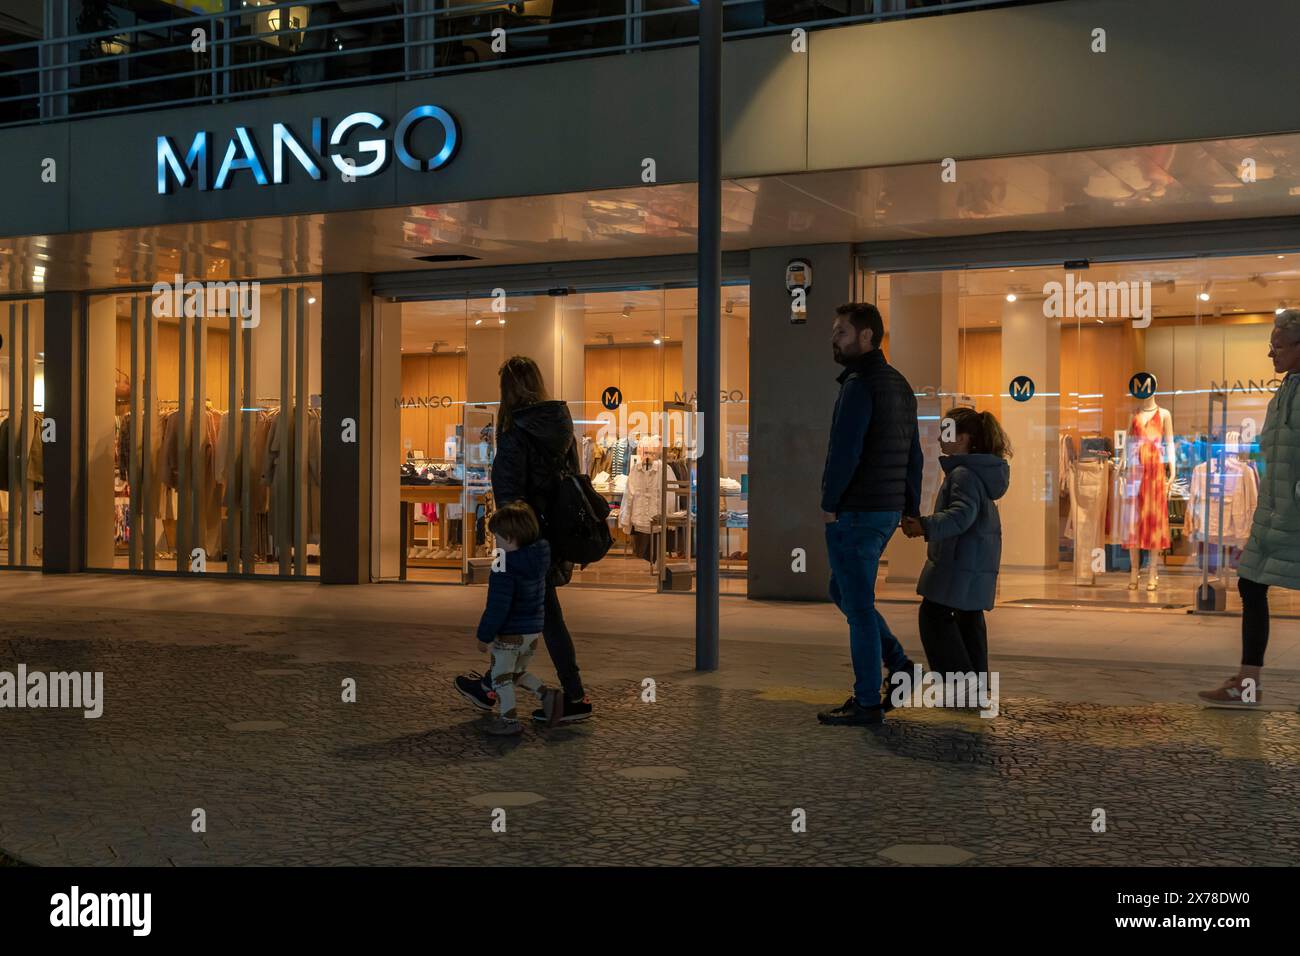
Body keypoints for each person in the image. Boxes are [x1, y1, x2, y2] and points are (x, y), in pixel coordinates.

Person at [454, 356, 594, 723]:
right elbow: (573, 479)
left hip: (522, 539)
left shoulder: (516, 431)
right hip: (553, 537)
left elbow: (510, 491)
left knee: (522, 609)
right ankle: (491, 685)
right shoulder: (560, 425)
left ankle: (571, 697)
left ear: (507, 390)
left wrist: (504, 540)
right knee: (538, 613)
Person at [817, 303, 923, 726]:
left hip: (857, 510)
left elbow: (844, 452)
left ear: (866, 337)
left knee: (857, 606)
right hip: (884, 510)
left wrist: (830, 503)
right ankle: (899, 664)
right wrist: (909, 506)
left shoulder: (860, 385)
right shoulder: (899, 385)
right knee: (842, 591)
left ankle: (866, 702)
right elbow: (914, 452)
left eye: (841, 332)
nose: (834, 339)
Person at [1198, 309, 1300, 708]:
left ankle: (1247, 682)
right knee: (1250, 583)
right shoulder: (1285, 390)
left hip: (1292, 511)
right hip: (1274, 511)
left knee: (1252, 585)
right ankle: (1247, 681)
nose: (1270, 354)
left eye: (1277, 346)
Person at [901, 406, 1011, 699]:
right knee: (968, 620)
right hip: (973, 563)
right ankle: (976, 687)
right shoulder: (980, 473)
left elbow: (961, 516)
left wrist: (924, 526)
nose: (940, 439)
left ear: (965, 439)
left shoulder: (963, 474)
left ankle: (960, 689)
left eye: (947, 432)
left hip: (958, 564)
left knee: (934, 617)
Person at [459, 501, 562, 735]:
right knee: (516, 673)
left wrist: (483, 636)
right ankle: (547, 695)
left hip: (510, 634)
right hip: (532, 631)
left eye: (498, 539)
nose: (497, 544)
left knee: (501, 678)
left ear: (511, 537)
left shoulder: (503, 567)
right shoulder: (537, 558)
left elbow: (497, 606)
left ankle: (509, 720)